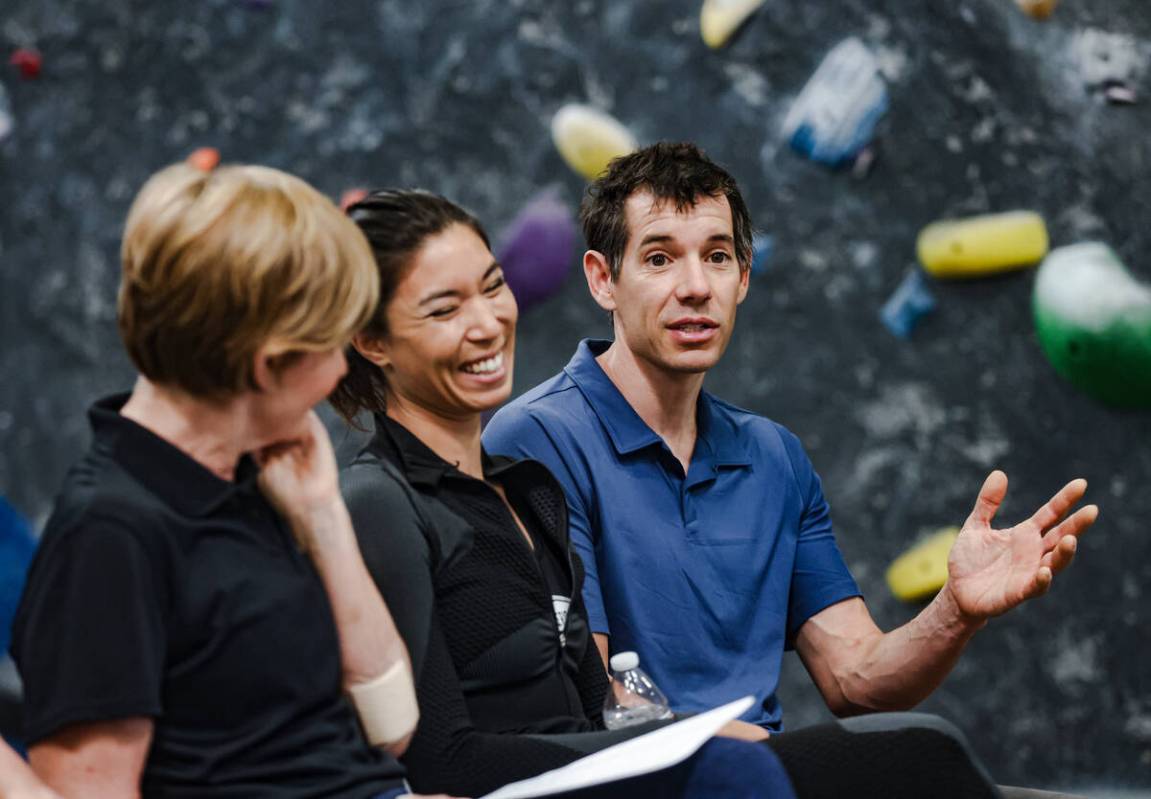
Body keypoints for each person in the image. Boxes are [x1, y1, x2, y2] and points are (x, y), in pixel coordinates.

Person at [483, 143, 1097, 789]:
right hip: (640, 781)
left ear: (742, 277)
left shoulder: (773, 457)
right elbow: (596, 701)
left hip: (763, 773)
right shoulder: (537, 438)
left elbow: (856, 680)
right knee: (925, 753)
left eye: (716, 256)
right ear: (602, 278)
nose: (694, 286)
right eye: (659, 258)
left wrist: (956, 607)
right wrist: (761, 748)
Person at [329, 189, 797, 799]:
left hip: (595, 776)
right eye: (445, 310)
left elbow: (596, 708)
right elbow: (440, 759)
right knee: (739, 774)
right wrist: (686, 745)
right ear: (373, 341)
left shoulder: (527, 491)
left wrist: (701, 732)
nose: (487, 323)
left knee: (911, 751)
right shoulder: (378, 503)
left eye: (493, 287)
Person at [10, 163, 444, 798]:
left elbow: (393, 727)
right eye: (333, 347)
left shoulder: (250, 470)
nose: (340, 371)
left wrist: (322, 518)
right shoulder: (109, 534)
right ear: (268, 366)